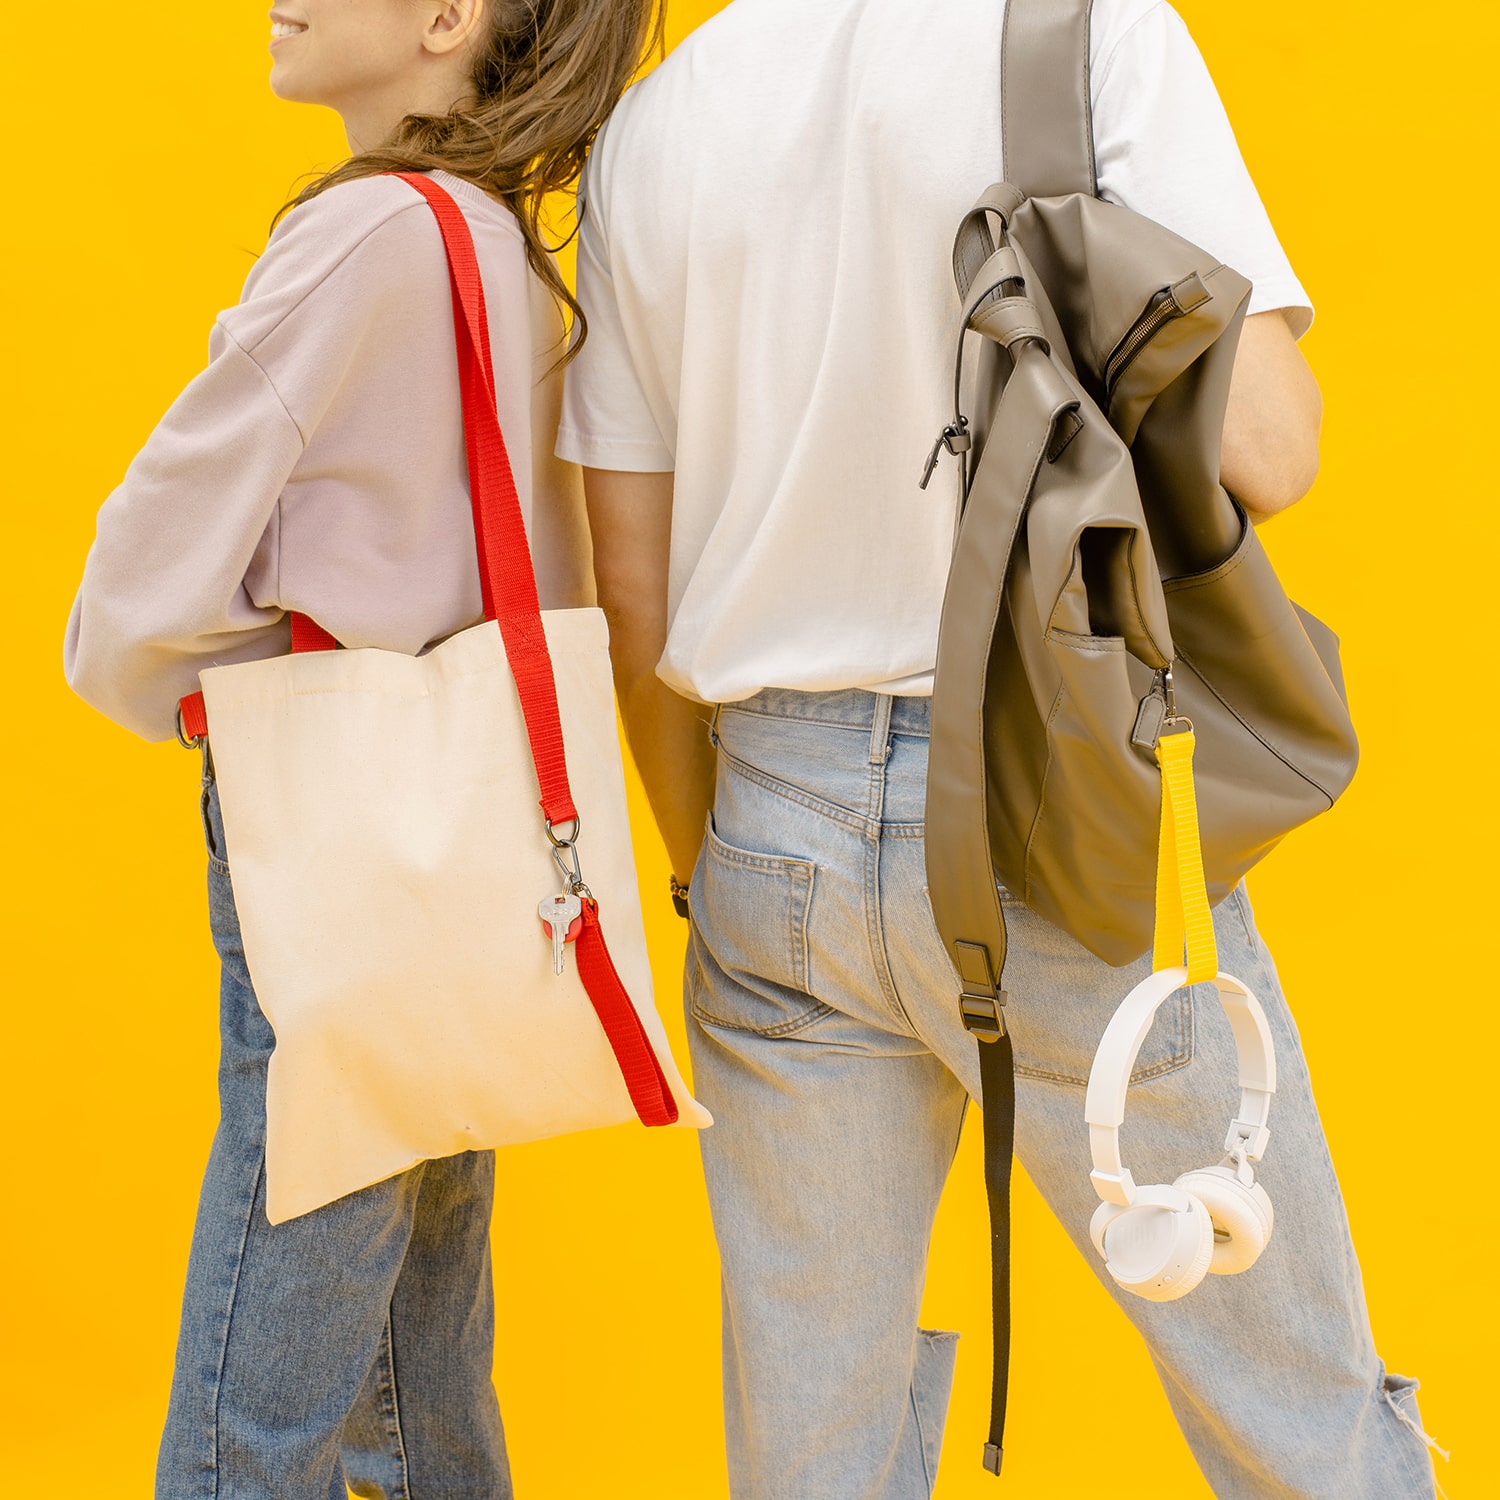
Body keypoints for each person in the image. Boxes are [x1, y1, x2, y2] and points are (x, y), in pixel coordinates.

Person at [560, 0, 1444, 1495]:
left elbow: (629, 595)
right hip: (1055, 805)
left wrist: (713, 870)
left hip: (770, 835)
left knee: (814, 1460)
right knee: (1296, 1421)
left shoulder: (650, 126)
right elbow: (1273, 447)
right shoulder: (1088, 36)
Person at [63, 1, 656, 1494]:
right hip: (467, 845)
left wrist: (206, 698)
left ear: (450, 18)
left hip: (336, 829)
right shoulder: (503, 247)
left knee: (272, 1355)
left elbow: (133, 595)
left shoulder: (364, 236)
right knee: (420, 1350)